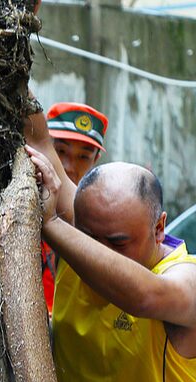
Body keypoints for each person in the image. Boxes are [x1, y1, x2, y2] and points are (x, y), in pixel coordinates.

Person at [26, 144, 196, 382]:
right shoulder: (82, 230)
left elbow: (144, 297)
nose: (98, 253)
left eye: (118, 243)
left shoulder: (192, 282)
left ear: (159, 228)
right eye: (89, 238)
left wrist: (51, 225)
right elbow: (38, 139)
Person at [40, 102, 109, 314]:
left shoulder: (100, 218)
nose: (69, 167)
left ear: (96, 159)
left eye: (83, 157)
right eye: (61, 151)